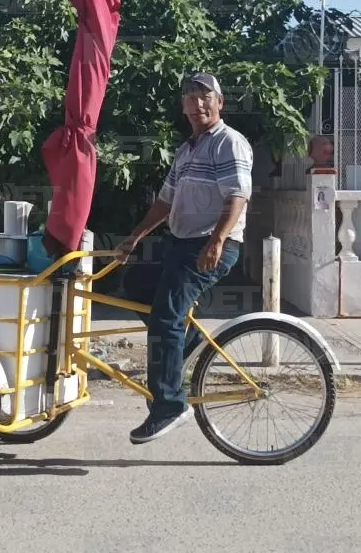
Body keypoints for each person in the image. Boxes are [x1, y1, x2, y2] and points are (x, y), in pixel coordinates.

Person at [116, 72, 253, 444]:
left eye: (205, 96)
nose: (198, 103)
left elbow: (237, 196)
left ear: (220, 102)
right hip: (180, 243)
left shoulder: (229, 143)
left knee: (165, 316)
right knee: (132, 285)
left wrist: (217, 241)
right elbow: (165, 202)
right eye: (191, 97)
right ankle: (186, 342)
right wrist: (134, 237)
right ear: (183, 107)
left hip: (209, 246)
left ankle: (169, 405)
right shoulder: (187, 150)